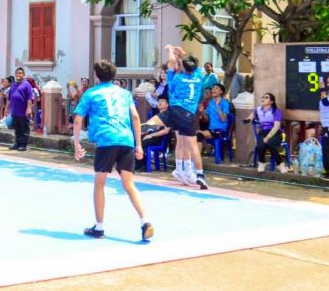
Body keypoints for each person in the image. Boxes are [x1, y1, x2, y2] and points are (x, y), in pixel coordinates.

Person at [73, 59, 154, 241]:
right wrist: (138, 144)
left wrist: (77, 143)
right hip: (126, 140)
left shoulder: (91, 93)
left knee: (99, 184)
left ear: (96, 75)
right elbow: (135, 116)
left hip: (106, 140)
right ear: (114, 75)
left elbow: (78, 119)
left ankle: (99, 227)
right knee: (129, 185)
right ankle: (145, 221)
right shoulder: (124, 93)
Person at [164, 44, 208, 189]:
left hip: (175, 110)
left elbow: (171, 62)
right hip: (188, 113)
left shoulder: (176, 78)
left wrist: (170, 50)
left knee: (181, 141)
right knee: (192, 145)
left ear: (183, 66)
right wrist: (182, 53)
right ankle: (199, 174)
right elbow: (191, 64)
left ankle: (181, 169)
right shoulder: (199, 76)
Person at [246, 92, 287, 173]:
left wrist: (268, 137)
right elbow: (251, 117)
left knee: (270, 144)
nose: (263, 99)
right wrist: (248, 120)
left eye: (266, 97)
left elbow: (276, 127)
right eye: (263, 97)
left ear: (271, 102)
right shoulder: (258, 109)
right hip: (263, 132)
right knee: (260, 145)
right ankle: (262, 163)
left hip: (275, 133)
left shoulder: (276, 111)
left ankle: (280, 164)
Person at [197, 84, 230, 155]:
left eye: (216, 88)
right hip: (211, 130)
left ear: (221, 92)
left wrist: (218, 106)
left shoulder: (225, 103)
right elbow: (207, 120)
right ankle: (198, 156)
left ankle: (203, 152)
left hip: (221, 130)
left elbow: (223, 119)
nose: (213, 89)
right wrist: (202, 112)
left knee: (199, 134)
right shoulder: (211, 103)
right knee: (197, 134)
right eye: (213, 88)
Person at [8, 67, 34, 151]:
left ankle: (23, 145)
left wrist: (29, 108)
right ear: (15, 74)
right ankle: (17, 143)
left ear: (23, 75)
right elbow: (9, 97)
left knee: (24, 128)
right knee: (17, 128)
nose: (18, 74)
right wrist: (6, 109)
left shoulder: (27, 84)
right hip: (14, 110)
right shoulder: (13, 84)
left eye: (20, 73)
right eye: (17, 73)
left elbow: (29, 98)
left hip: (23, 111)